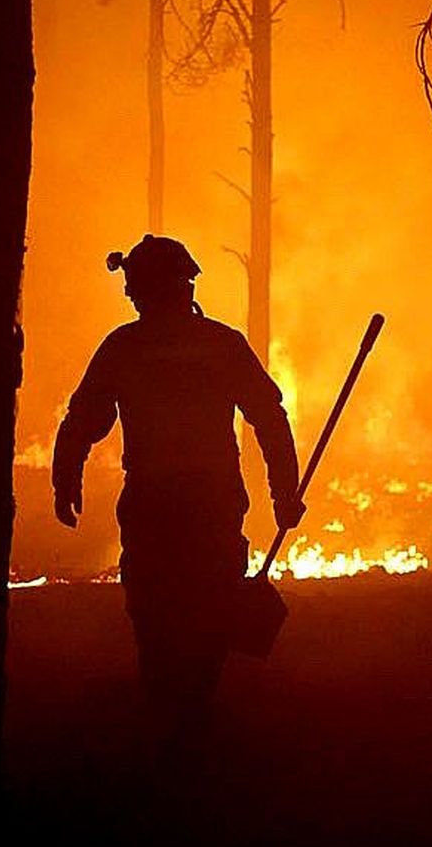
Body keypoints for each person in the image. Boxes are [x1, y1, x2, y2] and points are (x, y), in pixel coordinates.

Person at [52, 234, 303, 757]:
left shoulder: (125, 346)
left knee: (152, 602)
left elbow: (85, 419)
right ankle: (190, 706)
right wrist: (284, 490)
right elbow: (269, 418)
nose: (132, 296)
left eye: (136, 286)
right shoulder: (219, 343)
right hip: (206, 499)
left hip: (155, 501)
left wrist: (66, 476)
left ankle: (172, 706)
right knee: (205, 600)